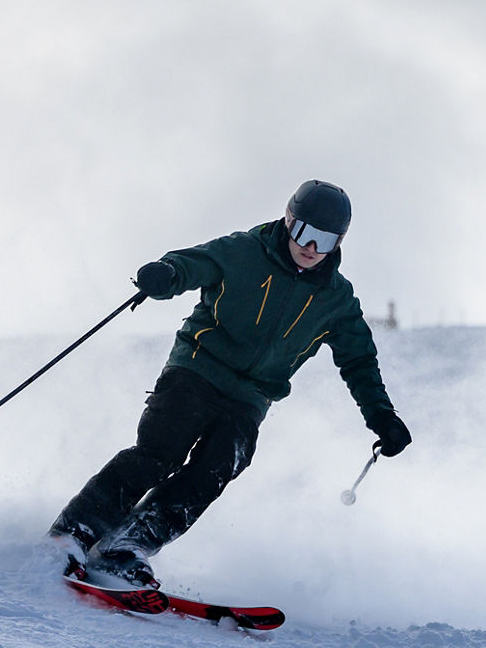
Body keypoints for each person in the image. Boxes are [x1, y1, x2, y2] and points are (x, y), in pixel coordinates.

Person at [50, 180, 413, 588]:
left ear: (339, 242)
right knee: (161, 450)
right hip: (197, 369)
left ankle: (128, 546)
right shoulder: (244, 251)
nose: (311, 248)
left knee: (218, 467)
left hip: (251, 397)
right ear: (289, 220)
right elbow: (193, 264)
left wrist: (382, 416)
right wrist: (166, 274)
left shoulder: (336, 300)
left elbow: (359, 361)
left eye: (325, 240)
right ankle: (76, 530)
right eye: (305, 233)